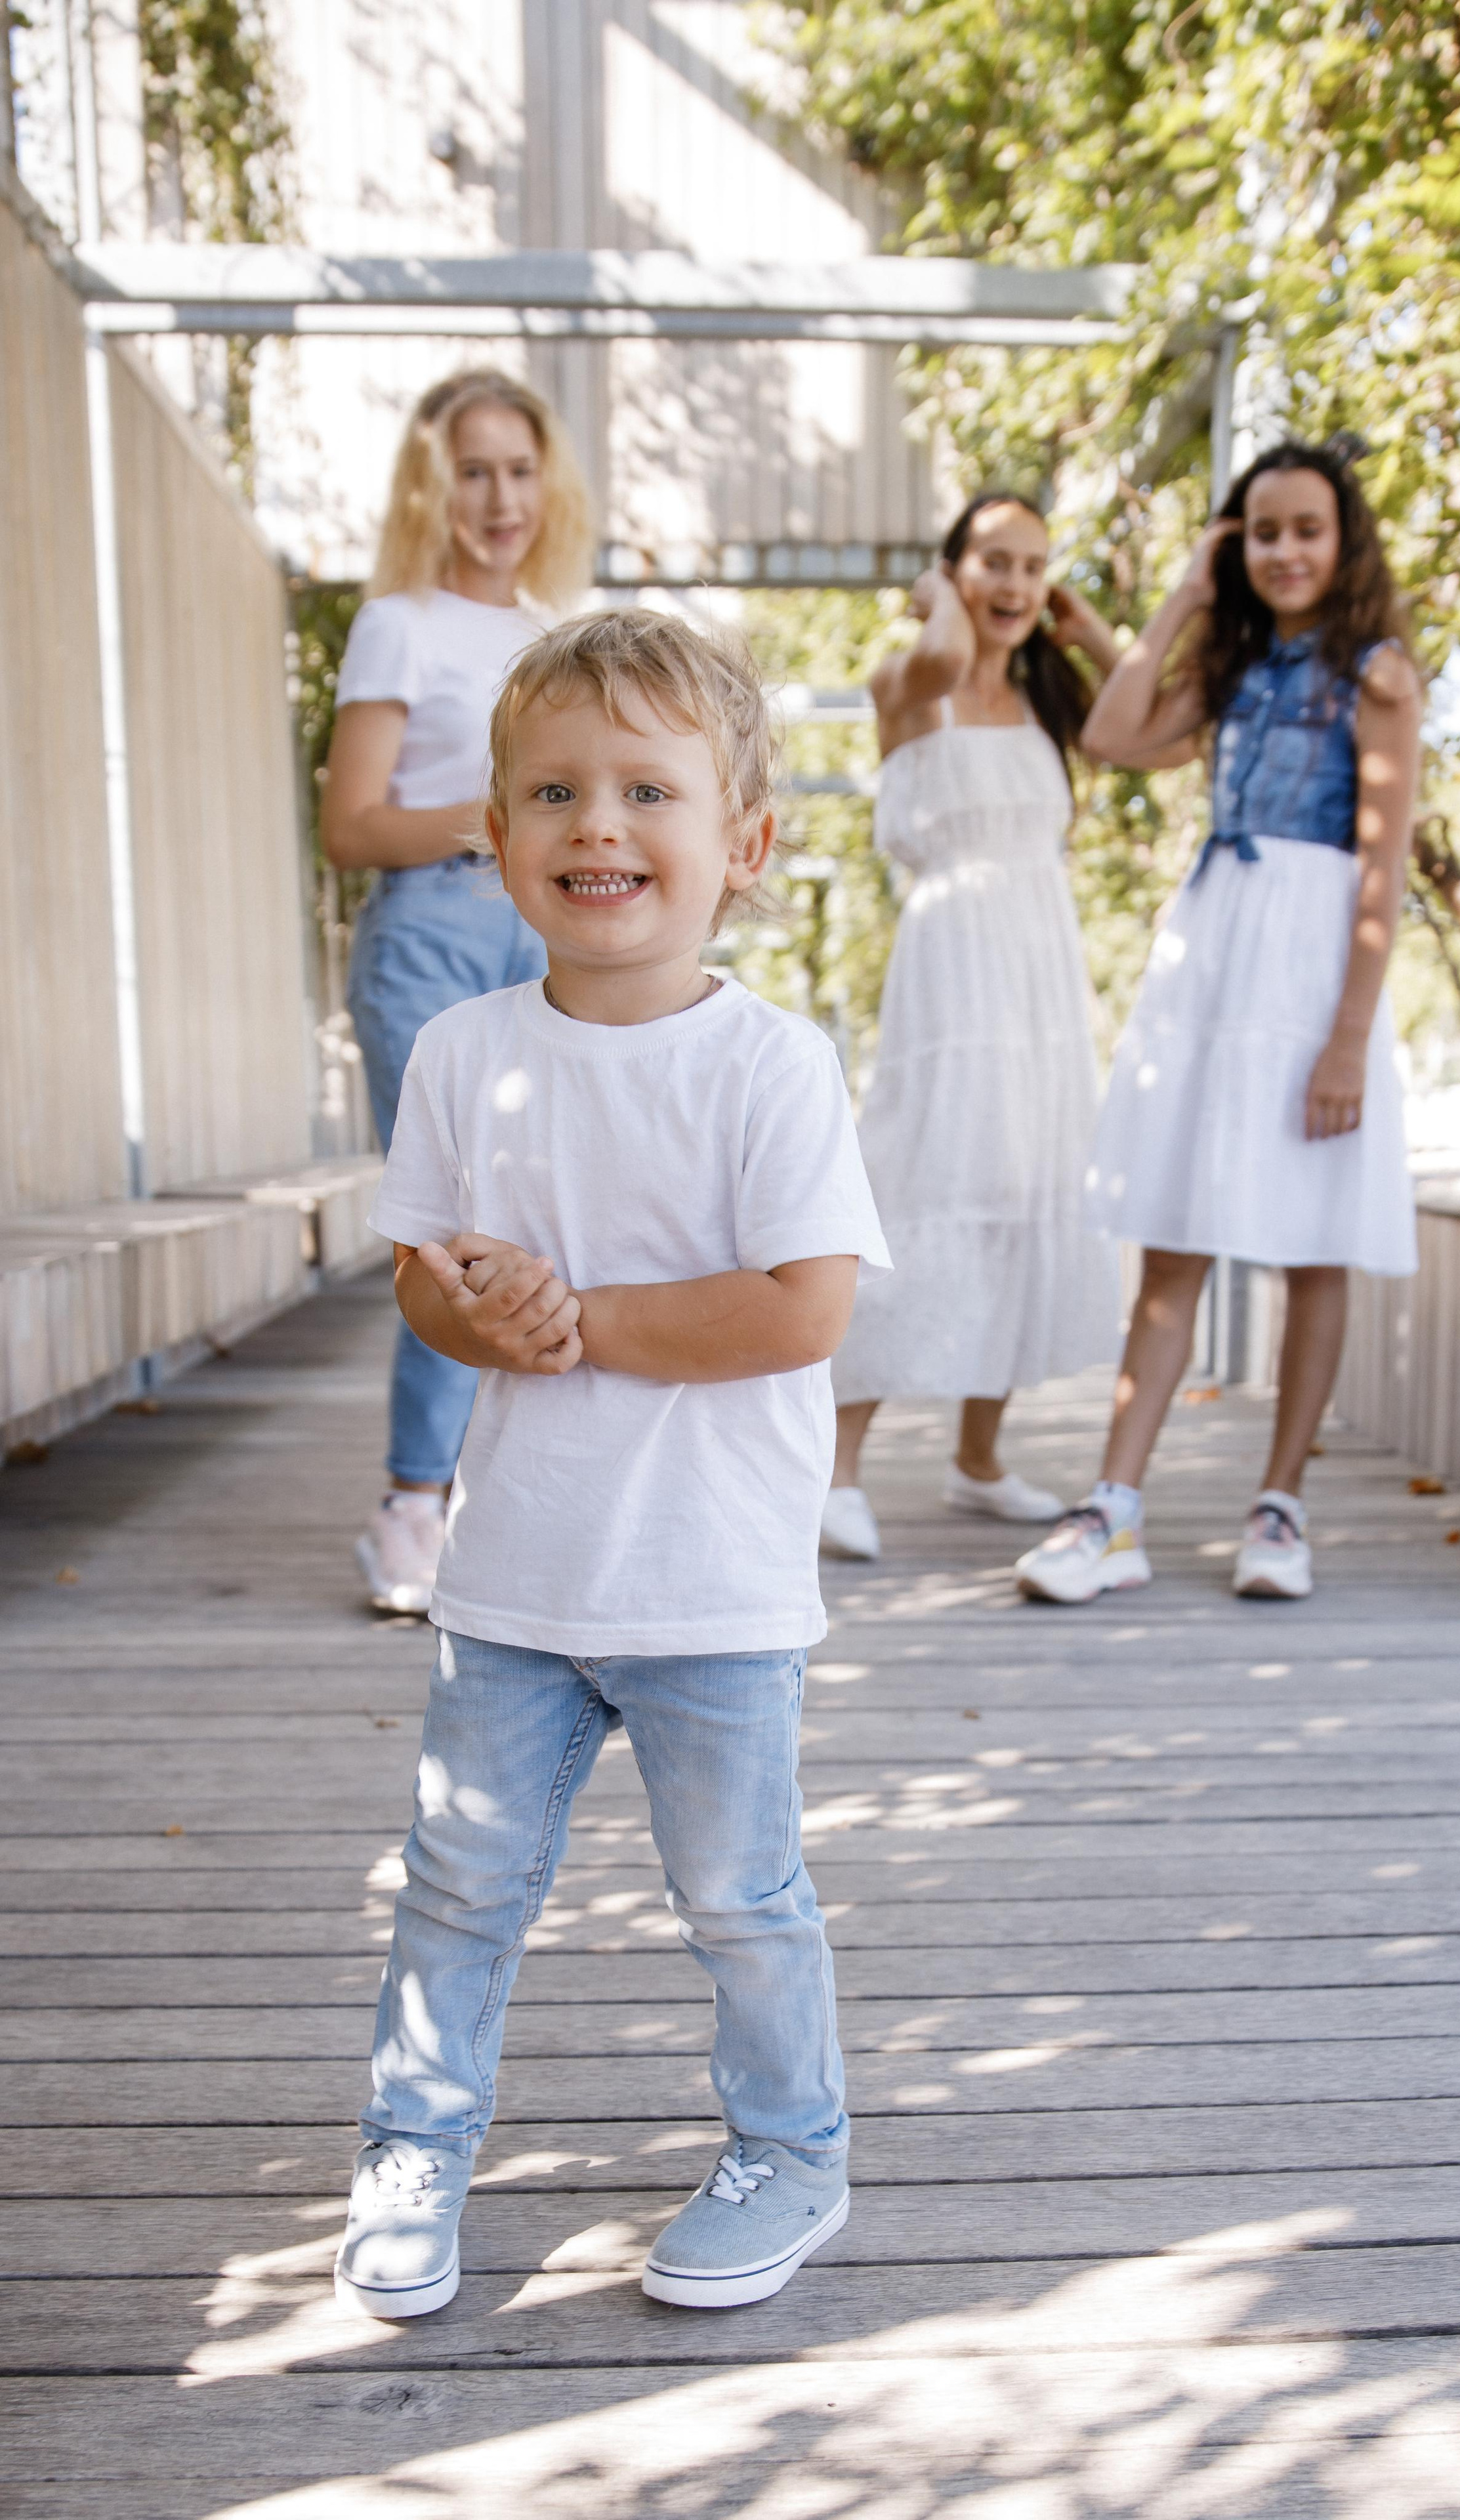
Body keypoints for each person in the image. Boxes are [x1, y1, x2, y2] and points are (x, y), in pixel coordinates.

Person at [332, 609, 889, 2320]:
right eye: (555, 790)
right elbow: (424, 1271)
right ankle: (415, 2140)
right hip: (516, 1578)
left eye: (649, 787)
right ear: (492, 840)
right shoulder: (466, 1055)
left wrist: (586, 1326)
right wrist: (481, 1315)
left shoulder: (774, 1067)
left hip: (713, 1589)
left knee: (739, 1895)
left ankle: (790, 2149)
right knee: (457, 1881)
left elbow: (803, 1310)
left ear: (746, 841)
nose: (598, 823)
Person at [1014, 440, 1422, 1608]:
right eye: (1260, 532)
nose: (1283, 551)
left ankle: (1281, 1505)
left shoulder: (1379, 674)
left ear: (1343, 542)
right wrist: (1185, 597)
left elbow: (1383, 866)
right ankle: (1115, 1509)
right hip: (1216, 951)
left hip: (1312, 960)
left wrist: (1350, 1033)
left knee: (1311, 1240)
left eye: (1305, 529)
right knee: (1174, 1234)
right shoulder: (1234, 666)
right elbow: (1115, 732)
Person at [322, 368, 593, 1617]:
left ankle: (513, 1504)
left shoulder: (551, 631)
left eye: (522, 470)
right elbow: (351, 824)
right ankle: (410, 1506)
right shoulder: (401, 623)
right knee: (449, 1230)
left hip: (537, 939)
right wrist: (491, 826)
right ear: (437, 484)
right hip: (428, 941)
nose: (501, 498)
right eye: (475, 470)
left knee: (546, 1223)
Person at [823, 492, 1123, 1561]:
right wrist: (937, 600)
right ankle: (839, 1466)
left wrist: (1088, 629)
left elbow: (1158, 731)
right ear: (950, 571)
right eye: (993, 561)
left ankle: (979, 1460)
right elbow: (947, 659)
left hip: (1039, 973)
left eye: (1035, 567)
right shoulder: (909, 679)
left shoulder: (1050, 698)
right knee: (918, 1187)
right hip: (950, 969)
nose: (1015, 586)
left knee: (1024, 1186)